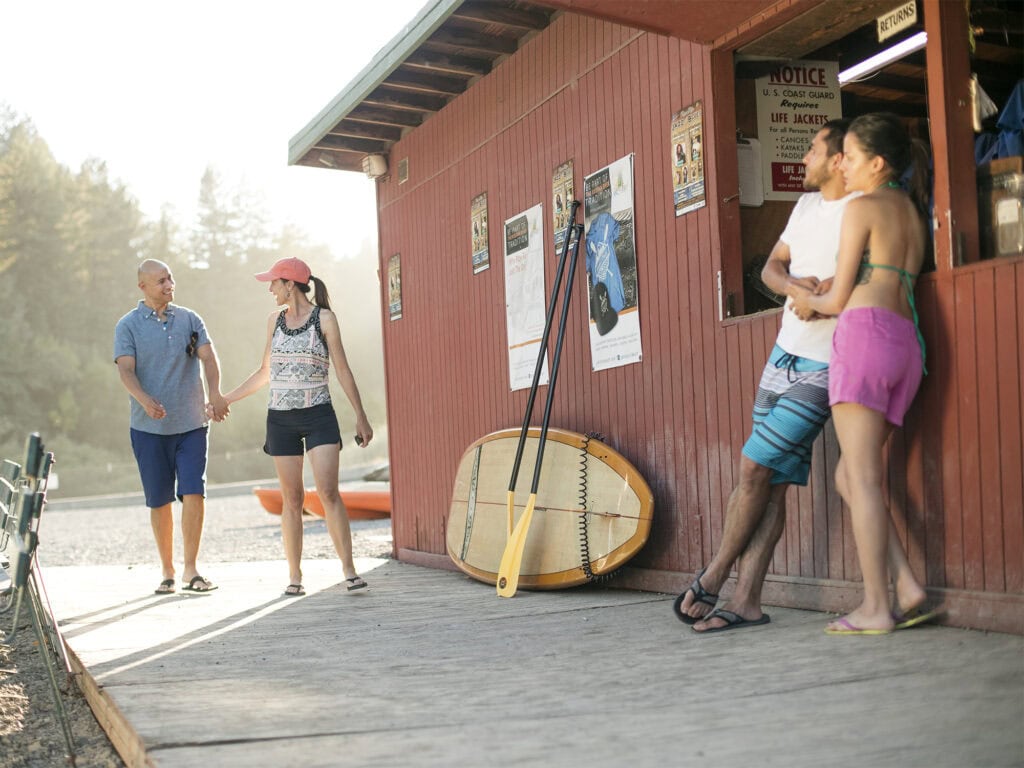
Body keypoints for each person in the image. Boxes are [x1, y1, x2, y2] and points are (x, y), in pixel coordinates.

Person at [673, 120, 858, 633]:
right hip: (782, 356)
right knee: (770, 484)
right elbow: (771, 270)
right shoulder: (805, 208)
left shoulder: (862, 212)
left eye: (813, 148)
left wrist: (816, 298)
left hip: (823, 368)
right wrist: (798, 288)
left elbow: (858, 284)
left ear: (840, 159)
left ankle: (713, 576)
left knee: (753, 467)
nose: (804, 157)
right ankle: (748, 602)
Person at [789, 113, 934, 635]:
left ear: (876, 163)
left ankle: (877, 607)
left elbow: (839, 294)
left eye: (849, 157)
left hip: (865, 337)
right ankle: (907, 584)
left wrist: (806, 300)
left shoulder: (862, 207)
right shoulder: (912, 212)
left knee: (863, 479)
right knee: (851, 476)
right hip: (906, 346)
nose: (841, 165)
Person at [222, 257, 373, 597]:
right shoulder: (273, 321)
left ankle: (349, 570)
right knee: (292, 498)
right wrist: (227, 399)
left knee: (329, 492)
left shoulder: (325, 319)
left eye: (274, 282)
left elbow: (343, 369)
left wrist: (360, 415)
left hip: (319, 415)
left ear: (290, 284)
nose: (270, 289)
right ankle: (295, 576)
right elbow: (265, 373)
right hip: (281, 420)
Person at [114, 259, 228, 595]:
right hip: (148, 429)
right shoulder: (128, 325)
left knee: (194, 490)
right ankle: (168, 570)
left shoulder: (190, 319)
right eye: (161, 281)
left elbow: (208, 357)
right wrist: (145, 401)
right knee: (159, 500)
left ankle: (191, 570)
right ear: (143, 287)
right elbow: (126, 371)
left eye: (170, 278)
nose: (169, 285)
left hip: (192, 423)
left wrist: (216, 393)